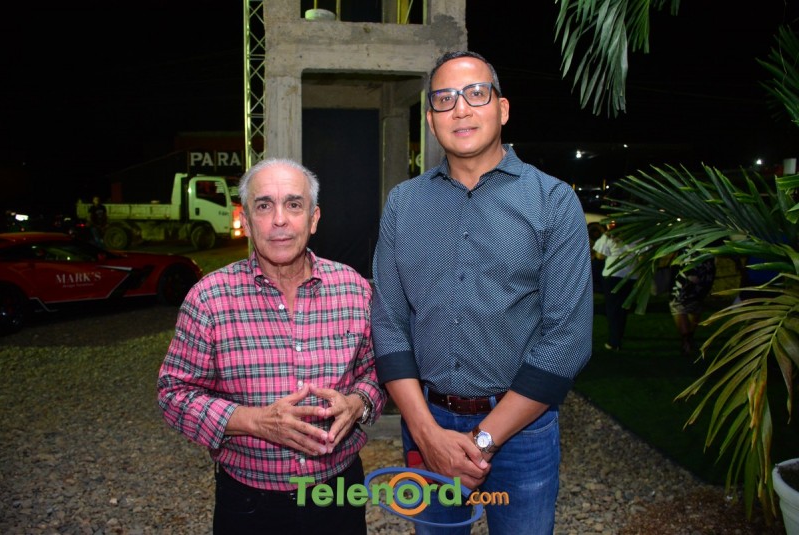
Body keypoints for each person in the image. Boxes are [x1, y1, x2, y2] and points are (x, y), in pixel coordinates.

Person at [371, 51, 593, 534]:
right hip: (426, 423)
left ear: (502, 108)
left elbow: (568, 339)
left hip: (522, 433)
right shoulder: (403, 204)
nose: (460, 109)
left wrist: (482, 440)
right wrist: (428, 435)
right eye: (444, 99)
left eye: (476, 94)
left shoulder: (553, 203)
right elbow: (388, 324)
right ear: (431, 120)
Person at [157, 158, 385, 535]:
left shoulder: (354, 290)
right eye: (264, 206)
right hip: (249, 501)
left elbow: (377, 371)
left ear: (313, 218)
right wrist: (255, 422)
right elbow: (173, 394)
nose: (280, 220)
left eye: (294, 204)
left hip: (339, 491)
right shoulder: (209, 299)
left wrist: (358, 403)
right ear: (246, 221)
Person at [592, 225, 639, 351]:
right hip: (630, 275)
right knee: (623, 307)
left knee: (613, 308)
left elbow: (600, 256)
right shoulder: (637, 235)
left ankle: (614, 341)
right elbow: (642, 254)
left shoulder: (609, 236)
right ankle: (619, 334)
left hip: (612, 275)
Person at [669, 255, 716, 356]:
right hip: (705, 273)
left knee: (679, 305)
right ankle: (689, 338)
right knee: (695, 303)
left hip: (689, 271)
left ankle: (686, 342)